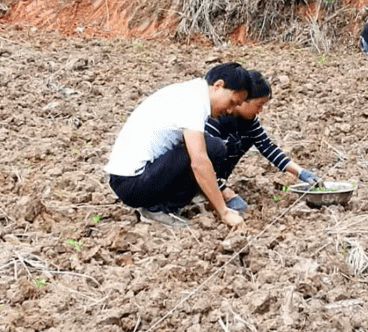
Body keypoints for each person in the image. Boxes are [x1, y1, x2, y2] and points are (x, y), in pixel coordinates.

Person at [105, 62, 252, 228]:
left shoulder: (191, 91)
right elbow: (199, 162)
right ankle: (159, 209)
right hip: (132, 184)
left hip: (130, 180)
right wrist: (223, 211)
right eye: (232, 102)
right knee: (212, 149)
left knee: (210, 144)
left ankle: (173, 202)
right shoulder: (193, 102)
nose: (231, 110)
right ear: (218, 86)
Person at [205, 70, 322, 213]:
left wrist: (301, 172)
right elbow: (201, 164)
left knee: (245, 140)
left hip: (214, 180)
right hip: (197, 177)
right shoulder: (214, 118)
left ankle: (216, 188)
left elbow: (267, 147)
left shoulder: (249, 122)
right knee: (215, 148)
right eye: (259, 104)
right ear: (242, 99)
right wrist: (229, 196)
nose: (260, 110)